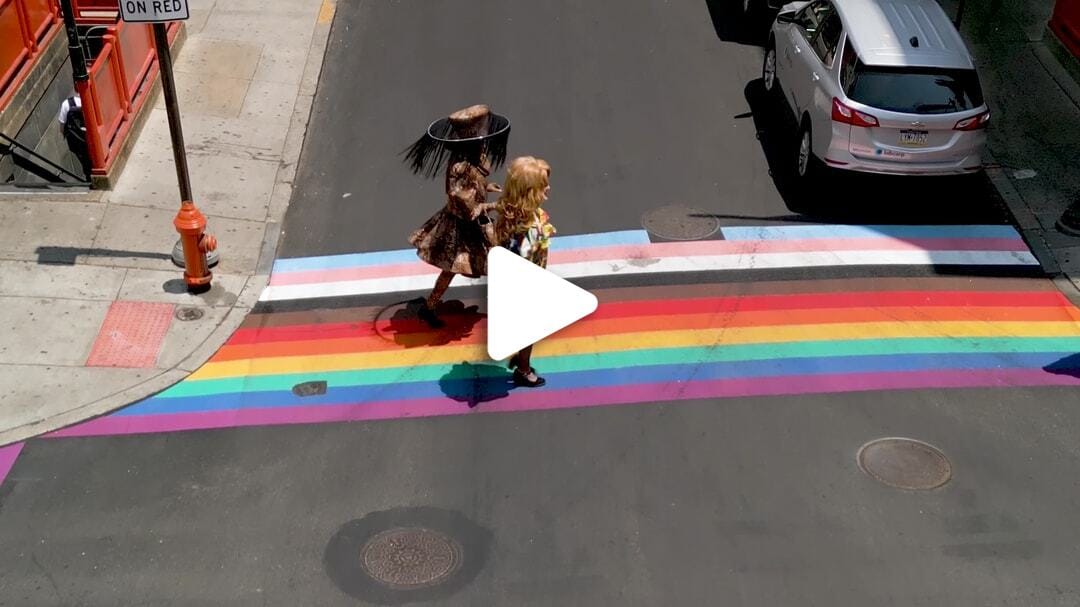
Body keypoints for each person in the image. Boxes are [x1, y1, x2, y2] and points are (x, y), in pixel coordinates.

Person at [403, 105, 511, 328]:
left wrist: (485, 187)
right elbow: (459, 195)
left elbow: (471, 186)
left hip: (472, 222)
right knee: (457, 267)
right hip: (463, 225)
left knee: (480, 264)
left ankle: (432, 306)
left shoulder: (472, 158)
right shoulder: (460, 166)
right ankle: (431, 307)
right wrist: (487, 205)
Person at [495, 156, 555, 388]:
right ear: (530, 192)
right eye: (543, 185)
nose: (548, 188)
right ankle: (523, 369)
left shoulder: (513, 214)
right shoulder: (527, 231)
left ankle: (520, 355)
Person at [58, 94, 90, 179]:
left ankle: (89, 177)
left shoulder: (67, 104)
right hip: (93, 138)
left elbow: (62, 127)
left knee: (85, 163)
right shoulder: (91, 97)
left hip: (77, 142)